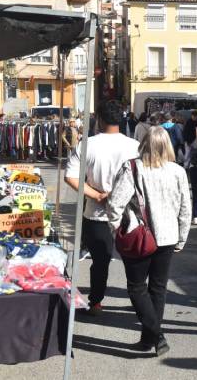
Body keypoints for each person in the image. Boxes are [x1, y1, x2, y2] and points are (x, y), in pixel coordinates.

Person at [106, 126, 191, 356]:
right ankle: (151, 337)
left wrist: (115, 229)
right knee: (157, 288)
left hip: (140, 237)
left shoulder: (133, 167)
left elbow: (115, 203)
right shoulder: (178, 171)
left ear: (144, 144)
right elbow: (186, 209)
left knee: (136, 288)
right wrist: (181, 238)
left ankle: (154, 334)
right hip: (168, 236)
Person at [65, 100, 140, 315]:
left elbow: (70, 177)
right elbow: (140, 179)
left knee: (100, 262)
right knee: (132, 261)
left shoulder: (87, 144)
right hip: (129, 214)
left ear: (99, 119)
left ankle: (96, 302)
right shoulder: (133, 146)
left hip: (96, 213)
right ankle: (139, 302)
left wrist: (97, 195)